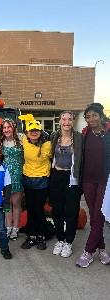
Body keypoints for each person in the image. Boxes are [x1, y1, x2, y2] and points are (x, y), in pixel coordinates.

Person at [76, 103, 110, 267]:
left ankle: (88, 252)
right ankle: (102, 249)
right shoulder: (85, 133)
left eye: (94, 116)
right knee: (94, 216)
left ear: (101, 116)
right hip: (88, 181)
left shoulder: (108, 133)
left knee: (99, 216)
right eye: (88, 117)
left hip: (105, 180)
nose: (91, 119)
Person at [50, 111, 83, 258]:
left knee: (71, 211)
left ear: (73, 121)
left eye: (70, 119)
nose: (67, 122)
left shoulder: (79, 138)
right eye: (64, 119)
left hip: (71, 177)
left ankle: (69, 242)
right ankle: (60, 239)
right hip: (56, 176)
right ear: (59, 121)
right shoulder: (53, 137)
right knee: (57, 210)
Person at [19, 115, 52, 250]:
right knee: (31, 209)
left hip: (42, 180)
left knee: (39, 209)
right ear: (27, 132)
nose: (34, 132)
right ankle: (31, 236)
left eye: (36, 130)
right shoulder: (24, 141)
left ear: (40, 131)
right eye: (31, 130)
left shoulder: (48, 144)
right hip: (28, 179)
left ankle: (41, 236)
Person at [0, 118, 24, 240]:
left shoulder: (21, 139)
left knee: (16, 203)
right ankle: (8, 227)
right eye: (4, 128)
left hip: (18, 174)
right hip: (5, 176)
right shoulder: (1, 142)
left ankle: (15, 228)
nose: (7, 130)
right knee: (7, 203)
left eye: (9, 127)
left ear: (13, 128)